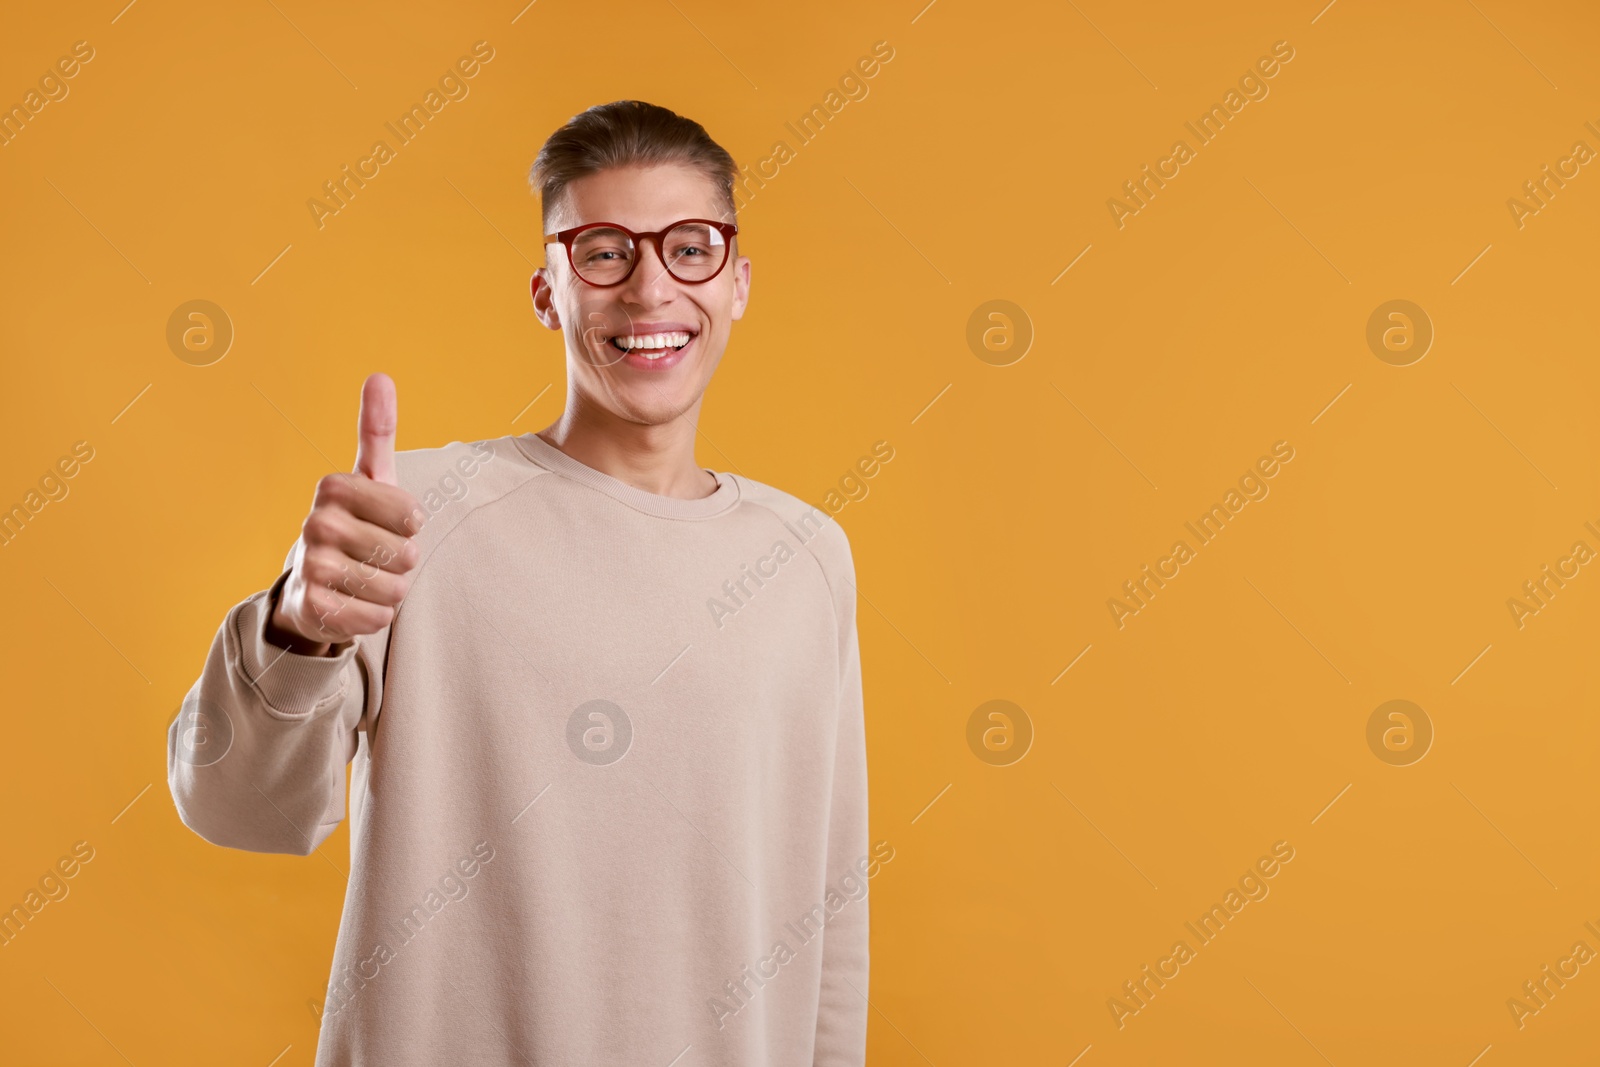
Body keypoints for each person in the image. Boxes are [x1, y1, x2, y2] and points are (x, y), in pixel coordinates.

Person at [167, 99, 873, 1066]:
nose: (650, 288)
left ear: (739, 282)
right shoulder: (410, 513)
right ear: (548, 289)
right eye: (603, 252)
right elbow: (237, 807)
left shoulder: (806, 555)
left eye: (691, 247)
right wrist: (297, 631)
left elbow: (828, 907)